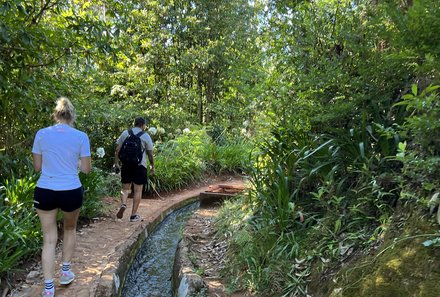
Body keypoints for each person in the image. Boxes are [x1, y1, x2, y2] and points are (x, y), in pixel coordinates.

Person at [32, 97, 91, 296]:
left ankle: (49, 288)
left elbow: (37, 167)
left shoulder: (42, 134)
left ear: (56, 115)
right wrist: (72, 164)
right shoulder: (81, 136)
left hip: (45, 189)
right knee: (70, 228)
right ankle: (65, 272)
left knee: (49, 239)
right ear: (72, 116)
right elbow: (86, 169)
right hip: (71, 190)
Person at [114, 117, 154, 222]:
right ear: (143, 125)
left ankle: (123, 203)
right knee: (137, 190)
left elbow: (117, 149)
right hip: (140, 166)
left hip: (126, 165)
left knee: (125, 189)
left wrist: (116, 163)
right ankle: (133, 215)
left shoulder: (125, 133)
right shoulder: (145, 136)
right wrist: (152, 166)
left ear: (134, 124)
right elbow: (150, 153)